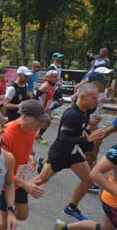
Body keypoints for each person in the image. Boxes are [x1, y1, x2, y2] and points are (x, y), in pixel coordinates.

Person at [34, 83, 106, 221]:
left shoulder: (85, 111)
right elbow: (63, 140)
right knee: (40, 180)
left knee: (88, 179)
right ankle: (15, 195)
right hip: (60, 154)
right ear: (83, 96)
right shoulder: (71, 114)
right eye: (94, 98)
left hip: (73, 153)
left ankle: (71, 208)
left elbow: (81, 130)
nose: (96, 101)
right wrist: (88, 139)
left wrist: (90, 132)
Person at [0, 100, 48, 230]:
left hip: (19, 180)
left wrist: (31, 156)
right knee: (5, 221)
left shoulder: (31, 129)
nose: (40, 124)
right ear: (24, 117)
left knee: (23, 215)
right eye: (38, 120)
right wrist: (25, 184)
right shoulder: (6, 134)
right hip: (4, 185)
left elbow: (27, 146)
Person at [55, 145, 117, 230]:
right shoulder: (115, 151)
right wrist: (114, 191)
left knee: (105, 228)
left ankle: (64, 227)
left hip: (110, 200)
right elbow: (95, 173)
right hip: (113, 202)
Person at [35, 70, 58, 145]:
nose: (55, 78)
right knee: (40, 122)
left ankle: (38, 136)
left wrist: (48, 108)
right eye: (53, 77)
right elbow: (37, 97)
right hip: (40, 108)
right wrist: (39, 109)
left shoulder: (52, 86)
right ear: (49, 78)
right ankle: (34, 136)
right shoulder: (45, 86)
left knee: (46, 122)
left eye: (56, 77)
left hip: (45, 108)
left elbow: (50, 98)